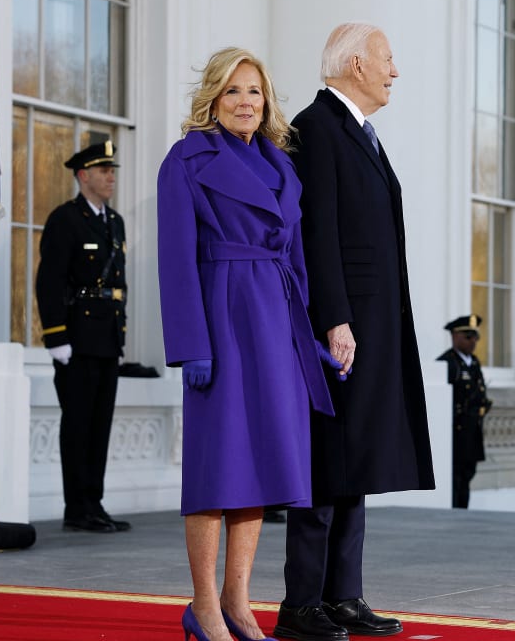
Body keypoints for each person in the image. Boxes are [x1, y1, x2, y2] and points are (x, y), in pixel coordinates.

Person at [157, 47, 344, 641]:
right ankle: (203, 606)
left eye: (255, 92)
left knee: (261, 464)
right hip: (223, 314)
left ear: (267, 103)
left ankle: (239, 601)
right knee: (219, 464)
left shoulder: (281, 166)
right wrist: (193, 343)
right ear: (213, 97)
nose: (245, 102)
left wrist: (308, 337)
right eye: (234, 91)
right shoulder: (186, 159)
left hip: (276, 321)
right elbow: (175, 259)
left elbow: (296, 259)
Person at [276, 23, 435, 641]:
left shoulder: (360, 133)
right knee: (326, 458)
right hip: (340, 327)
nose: (394, 72)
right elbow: (316, 232)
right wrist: (334, 318)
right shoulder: (316, 129)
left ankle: (344, 596)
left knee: (358, 457)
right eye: (388, 60)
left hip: (374, 321)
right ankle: (301, 605)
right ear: (355, 65)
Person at [35, 141, 131, 534]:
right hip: (75, 341)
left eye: (113, 170)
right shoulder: (66, 219)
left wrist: (120, 338)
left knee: (100, 425)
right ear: (83, 176)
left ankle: (95, 501)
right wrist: (56, 337)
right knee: (77, 425)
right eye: (103, 170)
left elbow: (117, 285)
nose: (111, 177)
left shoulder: (115, 223)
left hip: (106, 340)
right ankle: (77, 506)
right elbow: (49, 281)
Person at [437, 315, 492, 509]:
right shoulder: (447, 363)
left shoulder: (474, 362)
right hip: (456, 431)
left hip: (472, 430)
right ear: (455, 336)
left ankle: (463, 511)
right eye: (468, 336)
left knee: (468, 473)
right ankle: (455, 512)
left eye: (475, 337)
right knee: (455, 476)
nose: (473, 341)